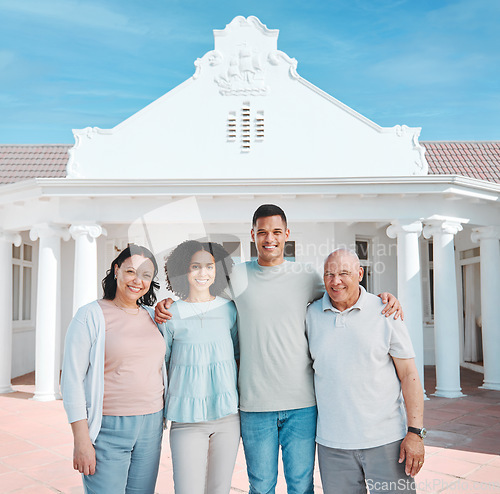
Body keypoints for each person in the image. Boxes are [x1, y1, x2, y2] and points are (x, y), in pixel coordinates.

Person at [156, 204, 402, 494]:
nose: (269, 238)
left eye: (275, 232)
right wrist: (167, 302)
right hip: (254, 404)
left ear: (286, 234)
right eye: (262, 232)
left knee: (301, 486)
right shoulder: (235, 277)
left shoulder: (307, 275)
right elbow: (201, 295)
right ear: (253, 235)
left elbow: (344, 290)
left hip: (302, 404)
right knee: (261, 487)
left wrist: (382, 298)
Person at [306, 249, 425, 494]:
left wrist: (415, 433)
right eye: (329, 274)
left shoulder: (386, 311)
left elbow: (409, 375)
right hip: (332, 446)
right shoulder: (310, 315)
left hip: (386, 441)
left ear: (360, 274)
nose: (335, 280)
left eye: (344, 273)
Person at [61, 244, 167, 494]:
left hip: (151, 425)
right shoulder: (90, 315)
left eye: (146, 275)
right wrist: (81, 440)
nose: (137, 281)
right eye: (131, 271)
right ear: (117, 270)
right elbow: (71, 380)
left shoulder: (154, 317)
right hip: (108, 427)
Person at [163, 240, 240, 494]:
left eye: (209, 266)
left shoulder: (230, 309)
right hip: (187, 420)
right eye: (195, 266)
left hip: (227, 418)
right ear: (183, 270)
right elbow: (162, 364)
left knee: (220, 490)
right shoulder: (171, 313)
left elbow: (238, 355)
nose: (203, 273)